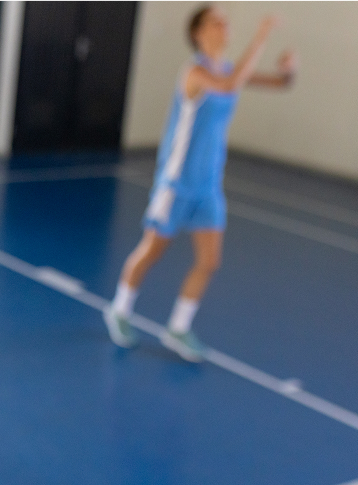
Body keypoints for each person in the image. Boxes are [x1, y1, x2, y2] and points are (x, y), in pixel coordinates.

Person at [104, 6, 296, 362]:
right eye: (216, 22)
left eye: (226, 21)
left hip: (208, 186)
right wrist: (262, 37)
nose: (224, 26)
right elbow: (229, 86)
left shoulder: (228, 69)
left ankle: (177, 328)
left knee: (210, 260)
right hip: (176, 183)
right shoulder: (195, 72)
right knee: (152, 251)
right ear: (198, 33)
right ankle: (119, 309)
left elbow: (278, 83)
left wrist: (289, 70)